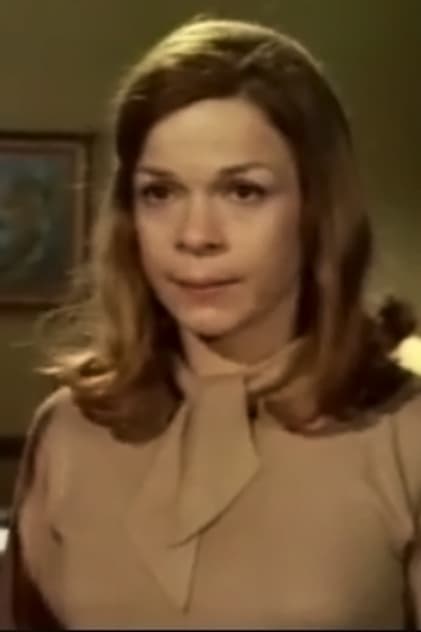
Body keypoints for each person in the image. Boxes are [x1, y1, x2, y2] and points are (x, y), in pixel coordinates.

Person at [1, 15, 420, 629]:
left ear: (317, 207)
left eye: (243, 192)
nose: (196, 236)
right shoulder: (70, 431)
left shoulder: (403, 436)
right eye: (161, 193)